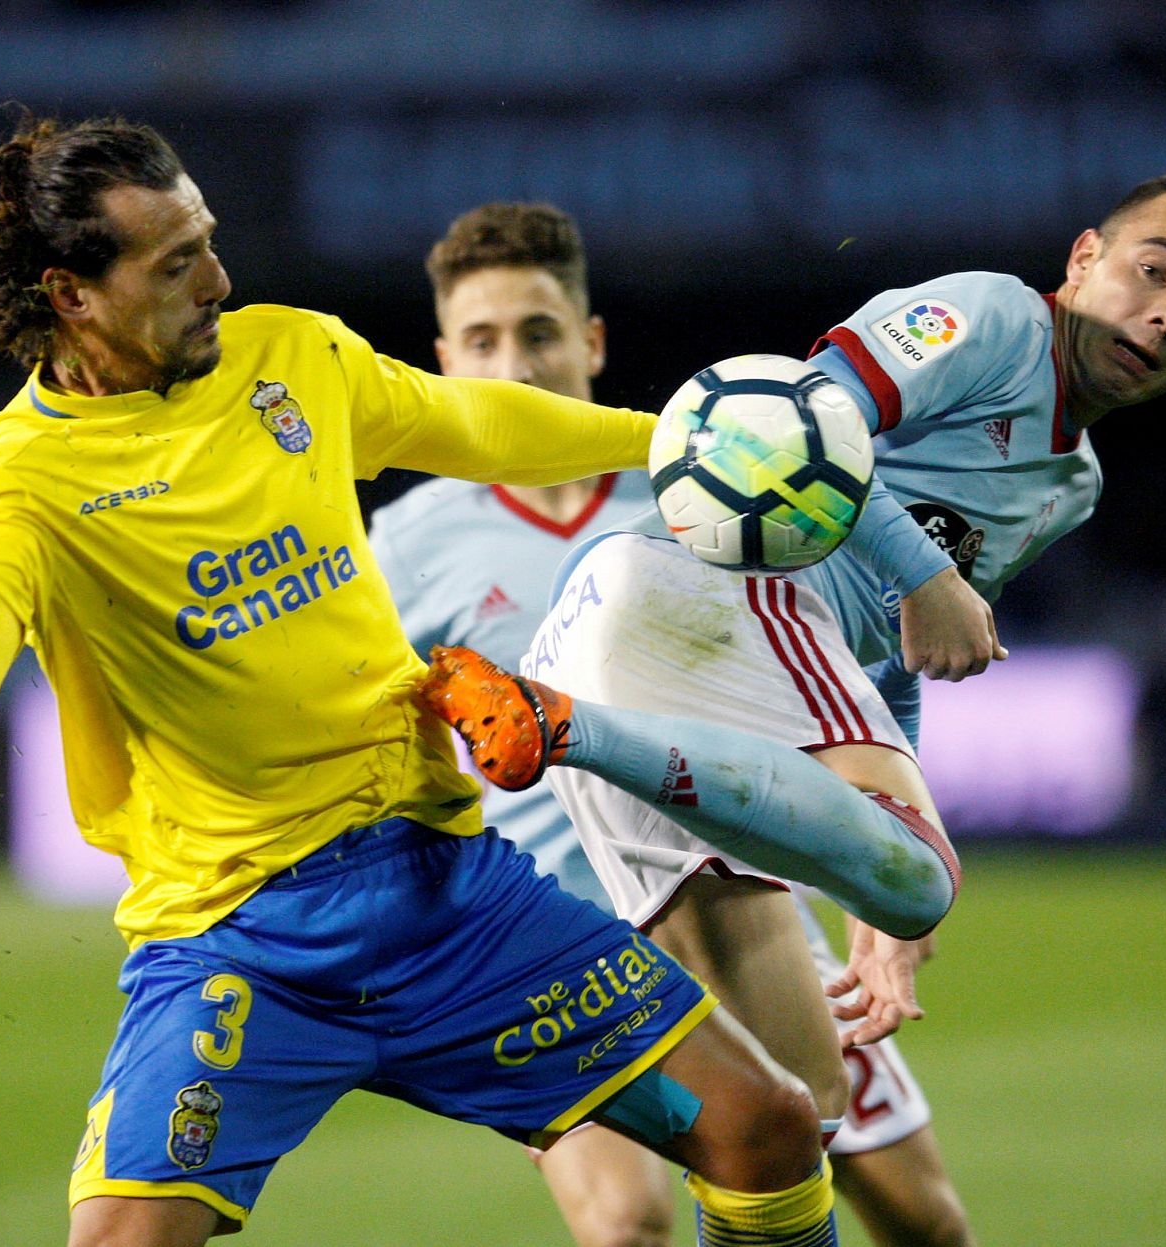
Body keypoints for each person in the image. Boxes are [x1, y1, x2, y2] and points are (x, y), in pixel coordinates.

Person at [0, 115, 895, 1247]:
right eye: (176, 264)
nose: (218, 279)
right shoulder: (12, 484)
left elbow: (473, 419)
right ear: (72, 294)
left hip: (450, 897)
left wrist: (678, 444)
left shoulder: (290, 357)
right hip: (241, 940)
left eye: (208, 241)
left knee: (765, 1126)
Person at [420, 172, 1166, 1241]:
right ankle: (565, 728)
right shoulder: (994, 319)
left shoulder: (1070, 482)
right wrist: (927, 577)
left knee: (788, 1120)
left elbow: (888, 659)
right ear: (1082, 261)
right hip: (705, 610)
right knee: (922, 877)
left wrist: (865, 897)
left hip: (690, 677)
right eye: (1156, 269)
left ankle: (573, 729)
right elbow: (780, 424)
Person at [373, 201, 975, 1246]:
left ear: (592, 340)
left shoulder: (706, 491)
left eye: (539, 330)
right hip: (563, 945)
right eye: (480, 340)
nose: (512, 362)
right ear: (439, 360)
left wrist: (875, 878)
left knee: (922, 1222)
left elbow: (838, 672)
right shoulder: (407, 545)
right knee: (626, 1225)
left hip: (750, 908)